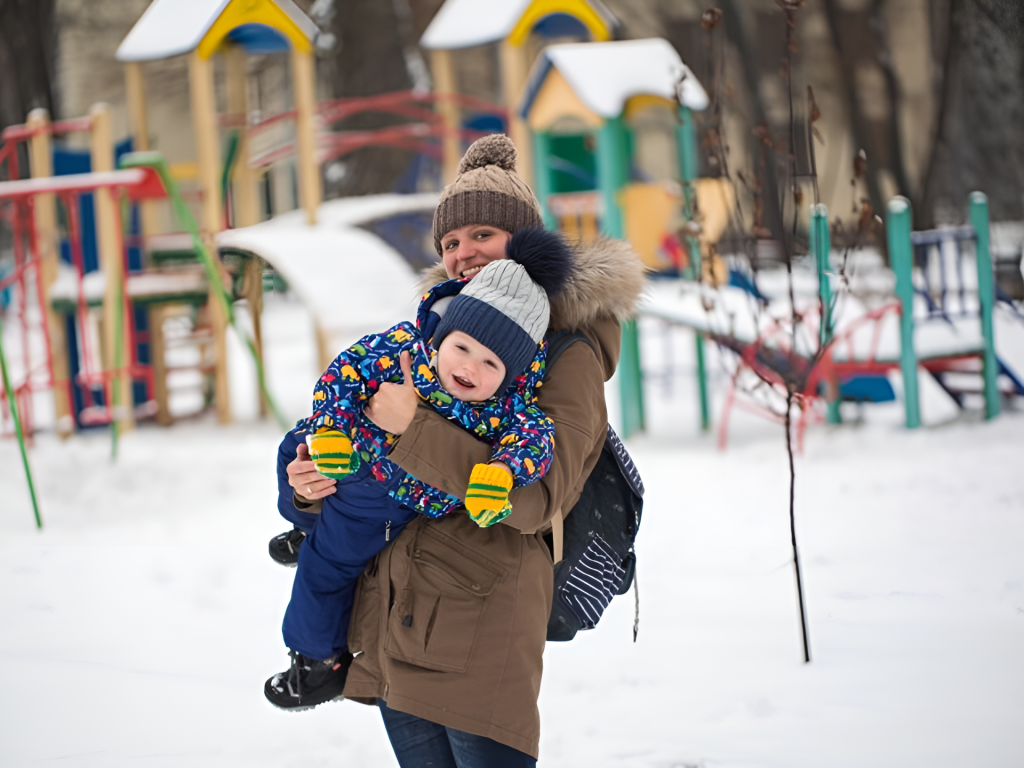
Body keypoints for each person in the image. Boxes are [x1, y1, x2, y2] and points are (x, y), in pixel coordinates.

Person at [286, 134, 646, 767]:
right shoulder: (442, 330)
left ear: (524, 240)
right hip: (399, 613)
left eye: (480, 235)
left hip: (481, 624)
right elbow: (362, 412)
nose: (462, 254)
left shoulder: (569, 352)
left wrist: (407, 431)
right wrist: (305, 472)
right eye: (450, 244)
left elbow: (538, 498)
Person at [265, 230, 572, 711]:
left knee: (325, 568)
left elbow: (536, 441)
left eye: (491, 363)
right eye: (463, 348)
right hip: (351, 458)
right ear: (445, 332)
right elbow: (346, 371)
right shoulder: (407, 348)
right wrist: (330, 429)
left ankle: (318, 660)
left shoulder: (507, 406)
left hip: (388, 499)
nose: (470, 368)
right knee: (292, 449)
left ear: (511, 374)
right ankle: (306, 524)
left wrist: (501, 472)